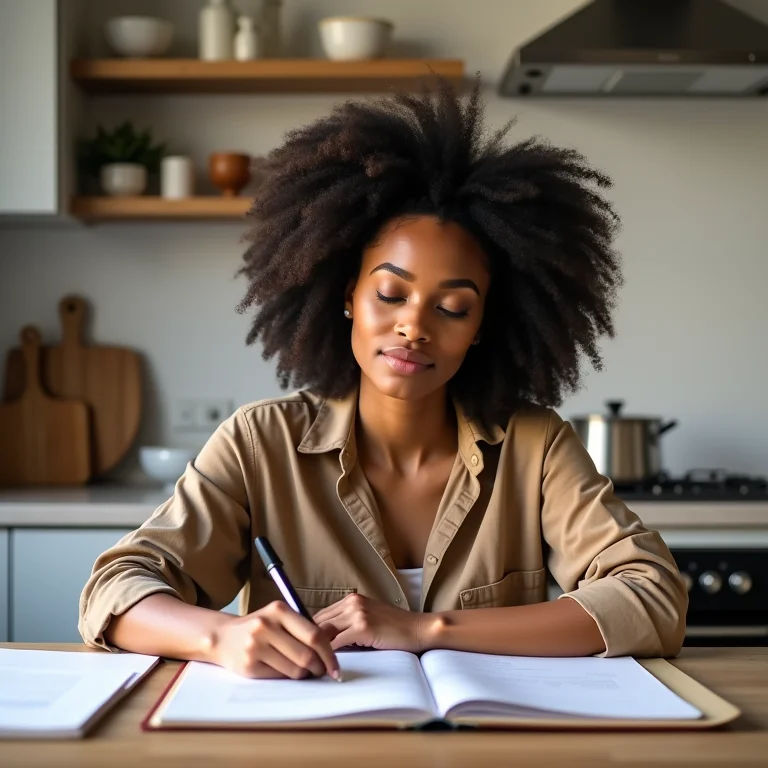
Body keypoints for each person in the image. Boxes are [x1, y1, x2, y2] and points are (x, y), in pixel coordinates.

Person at [79, 77, 687, 682]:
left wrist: (426, 630)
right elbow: (115, 589)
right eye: (391, 294)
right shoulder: (259, 444)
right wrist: (221, 636)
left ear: (481, 327)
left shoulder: (534, 446)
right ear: (348, 295)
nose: (413, 328)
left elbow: (652, 596)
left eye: (453, 308)